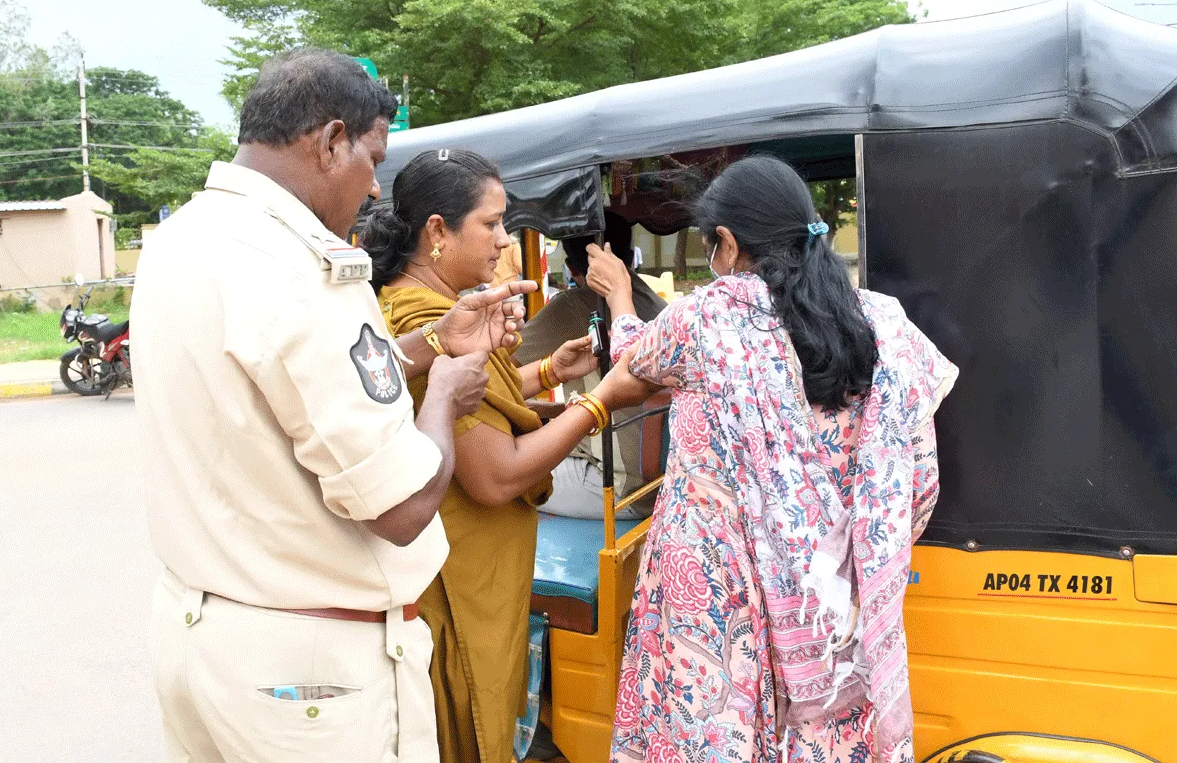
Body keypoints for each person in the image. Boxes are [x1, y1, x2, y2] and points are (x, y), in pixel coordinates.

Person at [132, 49, 536, 763]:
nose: (376, 188)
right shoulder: (302, 269)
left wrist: (425, 344)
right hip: (308, 675)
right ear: (329, 142)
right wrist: (440, 392)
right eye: (371, 158)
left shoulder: (183, 239)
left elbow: (277, 387)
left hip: (201, 633)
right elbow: (404, 505)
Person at [599, 155, 958, 763]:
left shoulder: (705, 319)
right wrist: (836, 562)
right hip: (832, 616)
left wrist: (618, 304)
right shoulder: (885, 327)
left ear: (729, 246)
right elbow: (917, 483)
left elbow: (630, 367)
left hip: (719, 599)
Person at [360, 148, 644, 763]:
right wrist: (600, 402)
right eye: (490, 224)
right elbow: (496, 474)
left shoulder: (422, 312)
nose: (502, 241)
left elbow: (483, 401)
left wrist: (545, 372)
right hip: (459, 575)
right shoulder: (425, 320)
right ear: (438, 230)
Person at [513, 213, 667, 518]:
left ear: (572, 268)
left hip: (618, 487)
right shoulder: (655, 301)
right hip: (661, 480)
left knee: (498, 474)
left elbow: (497, 373)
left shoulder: (574, 305)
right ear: (629, 257)